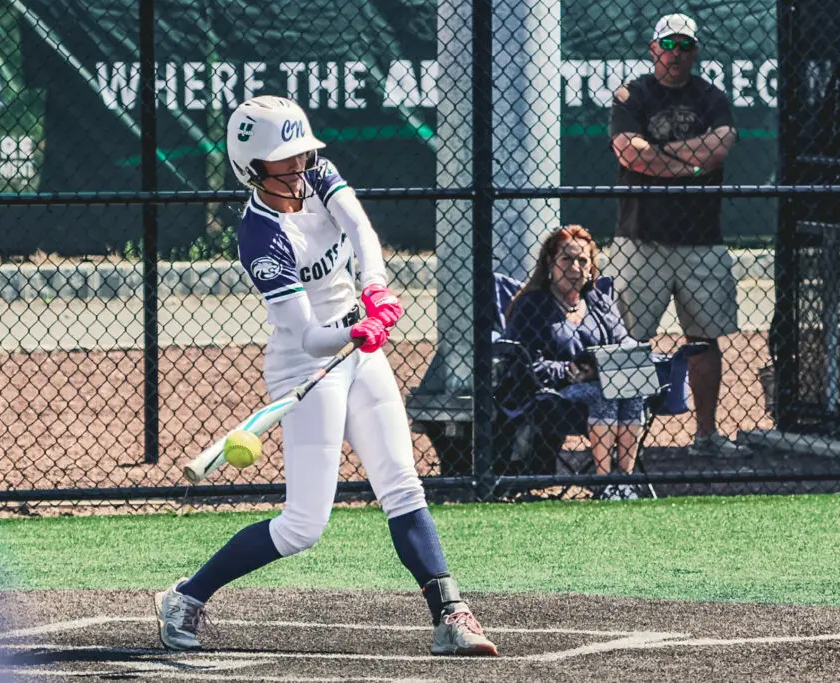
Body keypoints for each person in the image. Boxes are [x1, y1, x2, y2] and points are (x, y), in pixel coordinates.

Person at [153, 96, 497, 657]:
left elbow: (358, 226)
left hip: (360, 342)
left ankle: (450, 614)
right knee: (302, 526)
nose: (300, 165)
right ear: (254, 169)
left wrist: (375, 288)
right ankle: (186, 597)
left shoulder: (318, 175)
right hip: (306, 364)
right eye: (284, 160)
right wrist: (356, 328)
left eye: (301, 153)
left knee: (401, 482)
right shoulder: (260, 237)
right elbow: (309, 335)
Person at [608, 13, 740, 456]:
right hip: (640, 237)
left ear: (695, 51)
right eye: (669, 44)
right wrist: (692, 163)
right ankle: (625, 440)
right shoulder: (632, 95)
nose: (677, 53)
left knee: (704, 340)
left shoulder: (712, 97)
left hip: (701, 239)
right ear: (653, 48)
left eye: (685, 45)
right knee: (628, 341)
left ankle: (705, 436)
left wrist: (659, 154)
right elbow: (630, 152)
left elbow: (720, 147)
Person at [502, 225, 644, 499]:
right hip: (550, 396)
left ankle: (624, 481)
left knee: (633, 390)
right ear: (550, 263)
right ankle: (604, 484)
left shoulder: (599, 301)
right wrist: (568, 371)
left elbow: (623, 342)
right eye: (567, 259)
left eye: (583, 261)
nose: (575, 267)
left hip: (603, 383)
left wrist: (612, 362)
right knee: (604, 392)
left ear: (592, 267)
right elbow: (525, 362)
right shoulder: (531, 305)